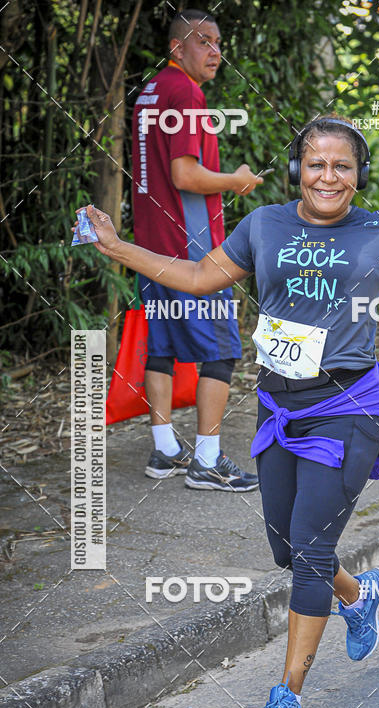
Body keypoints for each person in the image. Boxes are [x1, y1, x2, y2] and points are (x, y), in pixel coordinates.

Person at [79, 114, 379, 708]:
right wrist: (117, 247)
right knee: (287, 547)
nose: (329, 176)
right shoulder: (263, 224)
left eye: (342, 166)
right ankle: (359, 597)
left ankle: (286, 698)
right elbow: (194, 277)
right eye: (317, 163)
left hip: (349, 407)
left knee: (311, 550)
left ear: (358, 175)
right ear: (298, 169)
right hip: (277, 406)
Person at [131, 8, 263, 491]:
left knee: (162, 347)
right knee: (222, 351)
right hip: (190, 250)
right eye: (203, 41)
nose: (215, 51)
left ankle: (165, 450)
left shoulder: (150, 92)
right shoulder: (184, 91)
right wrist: (237, 179)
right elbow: (184, 176)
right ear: (176, 48)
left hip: (150, 245)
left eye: (218, 42)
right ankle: (206, 460)